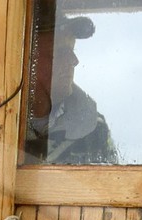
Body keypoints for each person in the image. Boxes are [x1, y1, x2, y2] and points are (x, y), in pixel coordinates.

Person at [24, 13, 120, 166]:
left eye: (73, 50)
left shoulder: (96, 130)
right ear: (27, 58)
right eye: (61, 51)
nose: (74, 60)